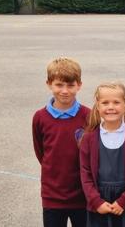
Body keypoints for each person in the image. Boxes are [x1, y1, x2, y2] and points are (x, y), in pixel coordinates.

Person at [80, 82, 125, 227]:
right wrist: (96, 202)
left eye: (116, 102)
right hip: (100, 204)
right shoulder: (89, 138)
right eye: (105, 102)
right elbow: (85, 175)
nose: (111, 107)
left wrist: (124, 201)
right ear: (98, 106)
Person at [32, 57, 89, 227]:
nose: (64, 91)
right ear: (49, 84)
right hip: (52, 197)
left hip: (83, 196)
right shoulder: (40, 118)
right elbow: (40, 152)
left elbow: (92, 154)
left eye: (70, 85)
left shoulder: (89, 115)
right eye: (59, 85)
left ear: (79, 85)